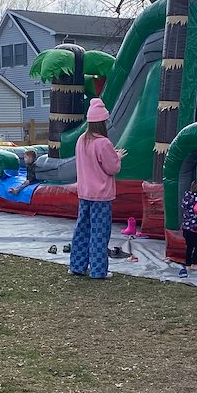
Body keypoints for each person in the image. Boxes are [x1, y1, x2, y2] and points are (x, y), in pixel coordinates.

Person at [69, 98, 125, 280]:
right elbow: (112, 168)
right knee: (99, 233)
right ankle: (98, 270)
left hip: (84, 193)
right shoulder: (103, 143)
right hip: (101, 195)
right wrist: (117, 157)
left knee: (82, 230)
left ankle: (77, 266)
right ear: (102, 122)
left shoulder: (81, 140)